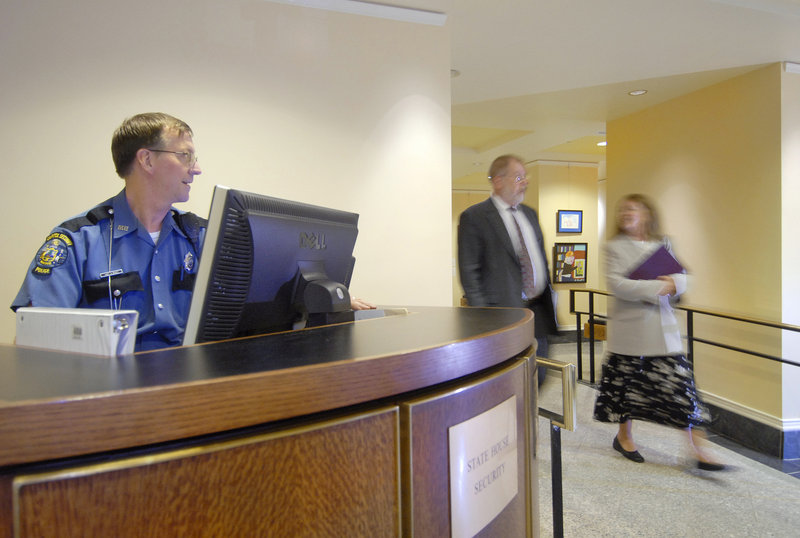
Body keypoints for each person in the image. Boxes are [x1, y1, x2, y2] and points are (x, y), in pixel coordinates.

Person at [11, 112, 374, 352]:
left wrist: (320, 294)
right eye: (185, 156)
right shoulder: (77, 240)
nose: (196, 168)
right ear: (146, 159)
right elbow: (35, 337)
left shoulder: (204, 237)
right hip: (111, 393)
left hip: (193, 380)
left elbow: (259, 297)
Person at [593, 193, 725, 471]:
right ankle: (624, 437)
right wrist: (660, 286)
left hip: (663, 333)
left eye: (633, 209)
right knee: (625, 390)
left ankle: (699, 450)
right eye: (622, 209)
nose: (626, 213)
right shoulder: (613, 247)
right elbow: (617, 285)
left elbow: (684, 275)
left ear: (647, 215)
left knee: (682, 388)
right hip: (630, 332)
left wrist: (676, 284)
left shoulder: (662, 243)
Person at [457, 154, 558, 385]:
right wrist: (485, 320)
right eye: (519, 177)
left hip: (538, 313)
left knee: (539, 377)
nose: (525, 182)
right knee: (509, 382)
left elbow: (540, 260)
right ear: (498, 181)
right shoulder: (475, 217)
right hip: (502, 316)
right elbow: (470, 274)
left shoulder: (530, 214)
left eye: (525, 177)